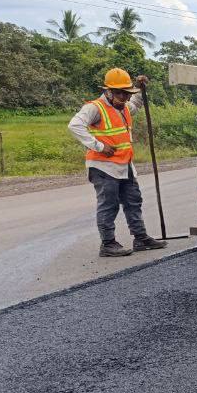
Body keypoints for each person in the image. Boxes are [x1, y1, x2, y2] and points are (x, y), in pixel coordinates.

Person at [67, 68, 168, 258]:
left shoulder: (123, 106)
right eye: (120, 93)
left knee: (133, 201)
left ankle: (140, 238)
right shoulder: (95, 108)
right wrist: (98, 146)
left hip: (125, 165)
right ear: (109, 91)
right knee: (109, 205)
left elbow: (136, 105)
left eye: (127, 94)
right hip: (103, 167)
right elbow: (74, 125)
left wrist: (141, 88)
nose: (124, 98)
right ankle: (108, 243)